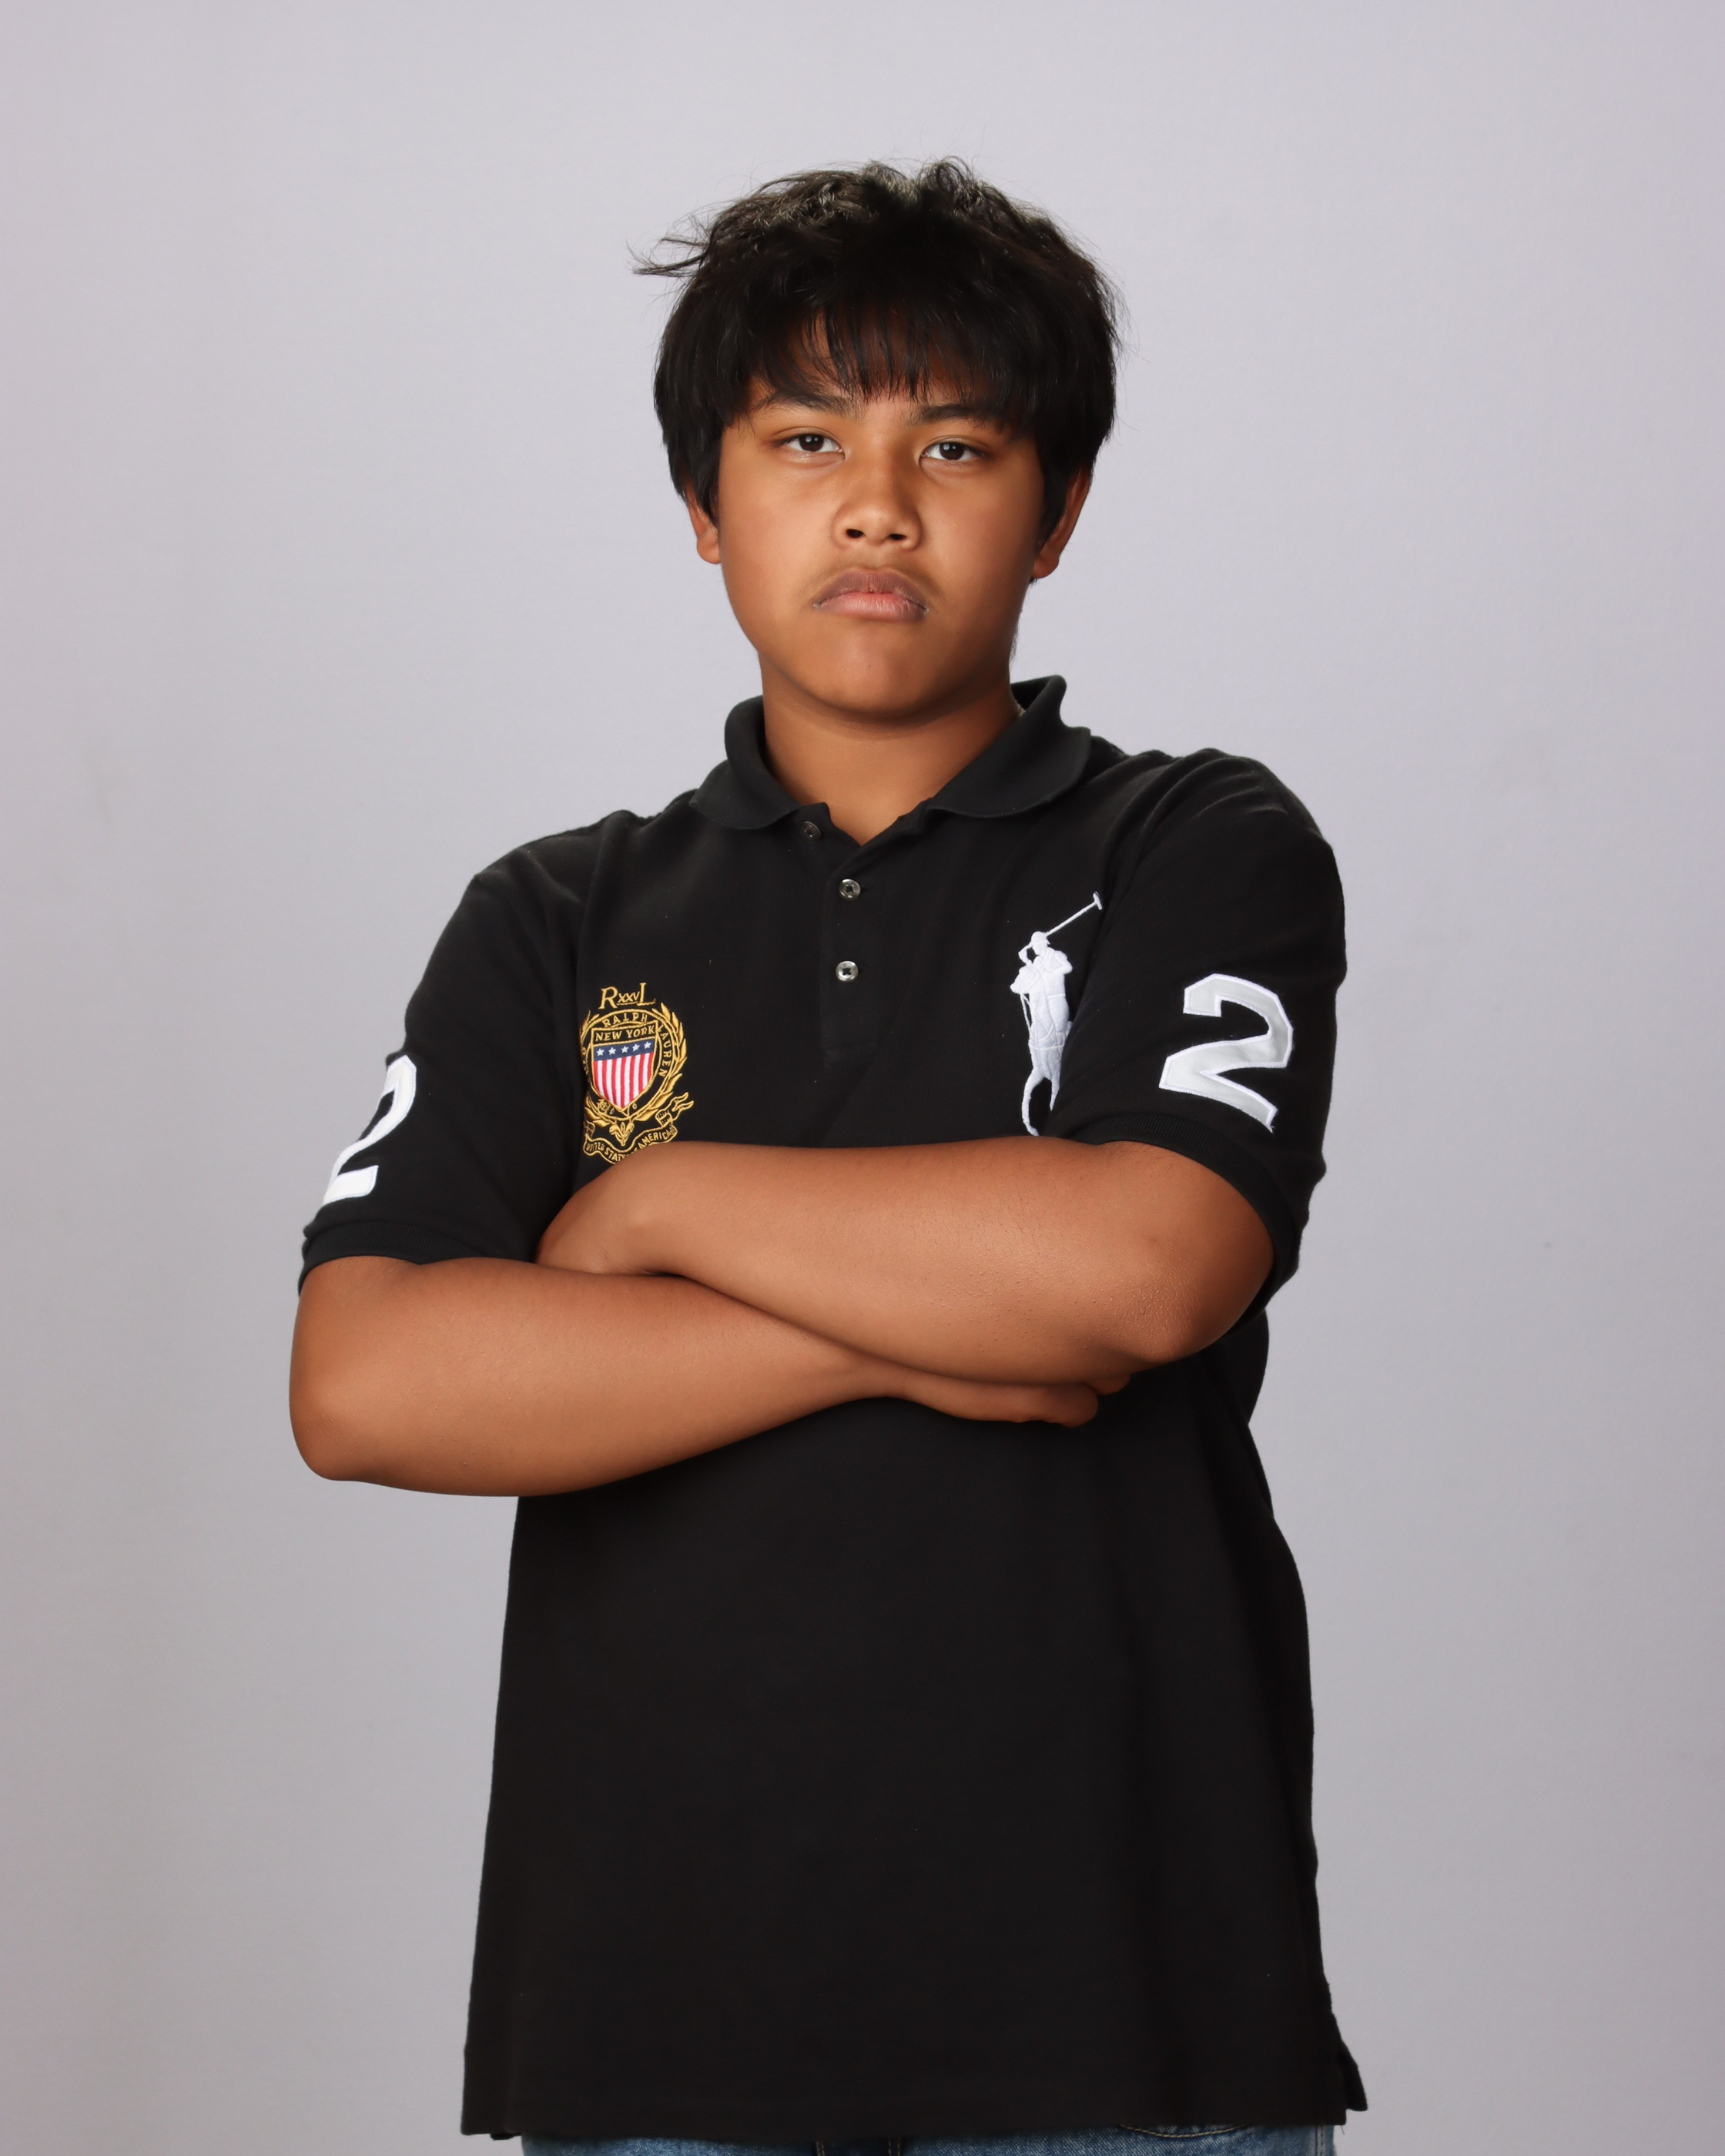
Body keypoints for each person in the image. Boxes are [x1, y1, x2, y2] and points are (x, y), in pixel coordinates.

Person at [290, 161, 1364, 2156]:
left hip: (1132, 2015)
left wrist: (655, 1207)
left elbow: (1147, 1271)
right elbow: (368, 1381)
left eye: (954, 445)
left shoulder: (1197, 845)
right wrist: (921, 1331)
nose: (878, 505)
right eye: (805, 441)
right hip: (655, 2024)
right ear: (705, 507)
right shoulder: (556, 917)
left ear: (1059, 506)